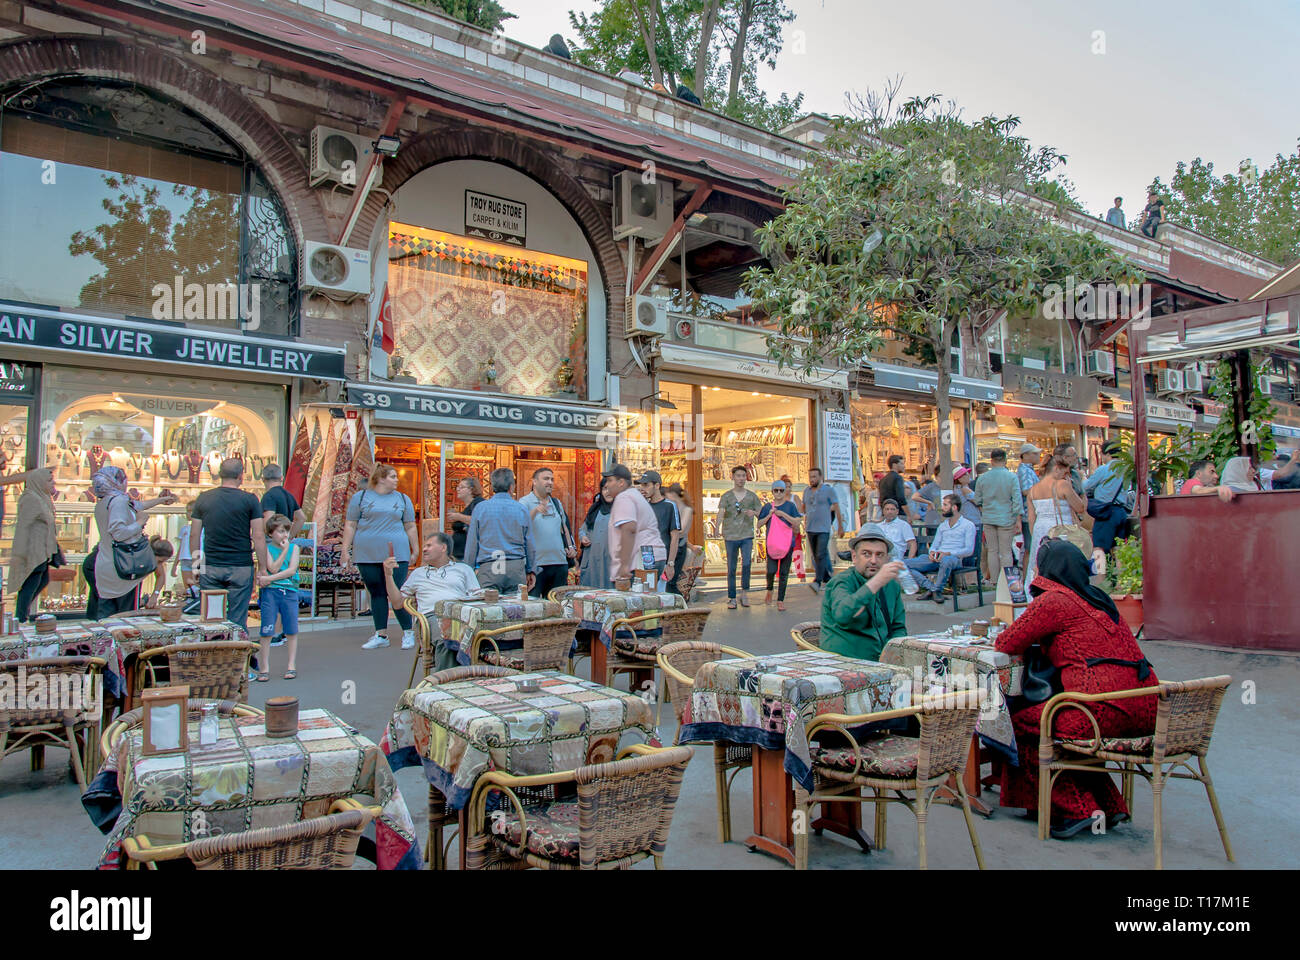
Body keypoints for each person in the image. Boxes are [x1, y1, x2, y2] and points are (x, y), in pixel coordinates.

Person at [994, 540, 1158, 838]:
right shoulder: (1099, 598)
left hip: (1101, 710)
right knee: (1062, 720)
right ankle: (1108, 805)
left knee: (1023, 724)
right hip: (1145, 708)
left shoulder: (1054, 600)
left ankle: (1076, 809)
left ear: (1046, 569)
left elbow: (1006, 642)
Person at [341, 463, 419, 651]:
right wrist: (345, 549)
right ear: (381, 478)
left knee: (396, 592)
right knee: (376, 592)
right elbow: (351, 524)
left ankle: (408, 631)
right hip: (367, 552)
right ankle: (381, 633)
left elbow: (410, 525)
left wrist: (415, 548)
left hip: (396, 551)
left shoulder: (402, 499)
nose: (396, 480)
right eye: (393, 476)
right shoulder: (360, 498)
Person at [382, 532, 479, 671]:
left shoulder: (463, 569)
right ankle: (445, 685)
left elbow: (477, 594)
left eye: (429, 545)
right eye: (424, 546)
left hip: (461, 615)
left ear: (443, 548)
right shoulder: (418, 573)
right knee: (447, 637)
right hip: (432, 616)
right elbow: (397, 603)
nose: (424, 549)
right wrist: (388, 575)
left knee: (485, 635)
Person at [190, 458, 267, 633]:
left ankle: (214, 652)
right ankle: (237, 653)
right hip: (240, 565)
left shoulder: (204, 498)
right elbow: (258, 535)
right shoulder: (250, 499)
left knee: (211, 616)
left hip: (211, 565)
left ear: (219, 475)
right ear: (241, 476)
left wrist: (196, 566)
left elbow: (195, 534)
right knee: (238, 618)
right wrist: (262, 568)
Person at [92, 467, 177, 619]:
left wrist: (161, 500)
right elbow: (118, 533)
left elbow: (137, 506)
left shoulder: (105, 502)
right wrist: (140, 522)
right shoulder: (118, 501)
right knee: (125, 619)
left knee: (105, 617)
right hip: (123, 568)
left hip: (106, 565)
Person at [820, 527, 908, 661]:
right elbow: (843, 615)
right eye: (866, 554)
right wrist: (875, 583)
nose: (873, 560)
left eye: (879, 555)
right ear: (854, 557)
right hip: (844, 662)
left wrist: (894, 652)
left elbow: (898, 627)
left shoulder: (891, 586)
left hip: (882, 661)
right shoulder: (842, 581)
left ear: (887, 559)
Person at [465, 467, 535, 595]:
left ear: (492, 486)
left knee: (489, 610)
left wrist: (469, 569)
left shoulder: (481, 508)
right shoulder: (521, 509)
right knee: (515, 610)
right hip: (515, 567)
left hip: (489, 567)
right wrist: (531, 570)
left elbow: (472, 543)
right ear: (511, 487)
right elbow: (529, 543)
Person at [8, 468, 62, 622]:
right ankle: (20, 618)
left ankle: (21, 616)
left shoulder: (42, 496)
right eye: (49, 480)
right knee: (31, 582)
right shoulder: (31, 498)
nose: (54, 483)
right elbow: (23, 527)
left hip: (42, 549)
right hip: (33, 550)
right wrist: (20, 553)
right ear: (39, 482)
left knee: (41, 580)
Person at [905, 493, 976, 604]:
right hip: (937, 557)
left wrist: (948, 553)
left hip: (954, 558)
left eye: (945, 505)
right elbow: (935, 544)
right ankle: (933, 589)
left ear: (954, 507)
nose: (942, 508)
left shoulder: (968, 525)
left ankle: (936, 590)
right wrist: (932, 552)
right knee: (904, 564)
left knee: (947, 560)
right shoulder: (943, 525)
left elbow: (969, 550)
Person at [1026, 455, 1088, 580]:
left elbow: (1031, 518)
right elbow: (1080, 508)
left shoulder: (1032, 490)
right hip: (1060, 529)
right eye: (1065, 472)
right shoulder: (1062, 485)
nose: (1066, 476)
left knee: (1040, 563)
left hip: (1040, 529)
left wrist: (1035, 534)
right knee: (1062, 563)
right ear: (1056, 469)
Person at [255, 513, 300, 681]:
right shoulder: (267, 548)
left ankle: (291, 665)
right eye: (280, 531)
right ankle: (264, 667)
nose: (284, 535)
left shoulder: (295, 548)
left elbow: (291, 570)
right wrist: (284, 551)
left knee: (291, 629)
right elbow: (273, 568)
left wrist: (268, 579)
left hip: (289, 592)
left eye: (286, 531)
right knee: (267, 630)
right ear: (271, 533)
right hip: (271, 593)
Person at [520, 466, 576, 599]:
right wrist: (535, 511)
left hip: (559, 563)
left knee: (557, 606)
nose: (550, 482)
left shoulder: (556, 503)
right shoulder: (524, 502)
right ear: (534, 481)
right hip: (536, 565)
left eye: (552, 479)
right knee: (533, 606)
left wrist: (571, 547)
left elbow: (564, 527)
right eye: (546, 478)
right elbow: (520, 526)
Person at [604, 463, 663, 588]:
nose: (607, 484)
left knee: (635, 604)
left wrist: (624, 565)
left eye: (610, 480)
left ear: (621, 482)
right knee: (648, 602)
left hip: (639, 562)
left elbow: (629, 529)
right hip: (651, 557)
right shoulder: (634, 495)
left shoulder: (624, 497)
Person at [972, 448, 1024, 576]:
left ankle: (994, 580)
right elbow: (1017, 500)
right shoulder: (1011, 477)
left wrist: (984, 510)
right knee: (1006, 551)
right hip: (1006, 517)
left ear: (991, 461)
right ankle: (1006, 581)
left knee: (992, 551)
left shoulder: (982, 478)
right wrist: (1018, 519)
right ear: (1005, 460)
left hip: (989, 517)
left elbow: (977, 499)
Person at [717, 465, 761, 609]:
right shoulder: (727, 496)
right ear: (733, 477)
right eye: (738, 476)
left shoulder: (752, 496)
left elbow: (761, 513)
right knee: (731, 567)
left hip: (746, 535)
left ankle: (744, 593)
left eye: (743, 476)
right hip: (730, 535)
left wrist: (753, 513)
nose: (741, 479)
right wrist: (717, 527)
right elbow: (721, 512)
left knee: (747, 564)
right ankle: (732, 597)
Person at [758, 480, 802, 611]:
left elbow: (797, 522)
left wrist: (782, 514)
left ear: (785, 491)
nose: (778, 493)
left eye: (781, 490)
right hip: (772, 543)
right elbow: (758, 524)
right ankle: (770, 589)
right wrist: (769, 516)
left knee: (784, 573)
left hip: (787, 543)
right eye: (775, 490)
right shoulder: (767, 507)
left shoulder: (790, 506)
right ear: (772, 491)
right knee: (771, 570)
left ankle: (780, 600)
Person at [801, 466, 843, 593]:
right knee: (817, 555)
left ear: (820, 477)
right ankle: (828, 578)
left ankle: (817, 581)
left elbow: (837, 507)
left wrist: (840, 526)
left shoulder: (828, 491)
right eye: (810, 477)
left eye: (814, 476)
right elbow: (803, 508)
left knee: (820, 553)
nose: (812, 479)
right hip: (810, 528)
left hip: (823, 528)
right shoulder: (806, 491)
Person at [1083, 439, 1130, 552]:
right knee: (1118, 547)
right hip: (1122, 512)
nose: (1102, 457)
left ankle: (1101, 570)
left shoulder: (1104, 469)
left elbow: (1085, 487)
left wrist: (1082, 477)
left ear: (1107, 454)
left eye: (1101, 454)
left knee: (1099, 548)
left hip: (1106, 513)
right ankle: (1119, 570)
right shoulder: (1127, 469)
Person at [637, 470, 679, 592]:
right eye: (641, 485)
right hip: (642, 558)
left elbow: (675, 537)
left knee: (659, 596)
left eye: (646, 485)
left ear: (657, 486)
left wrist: (670, 564)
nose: (643, 488)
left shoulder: (669, 506)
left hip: (661, 560)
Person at [578, 481, 615, 589]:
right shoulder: (595, 509)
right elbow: (583, 529)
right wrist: (583, 537)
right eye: (604, 489)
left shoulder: (622, 510)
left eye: (610, 489)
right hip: (592, 560)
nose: (608, 492)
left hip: (610, 561)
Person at [260, 463, 306, 537]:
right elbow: (302, 518)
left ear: (263, 479)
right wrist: (289, 536)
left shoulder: (268, 496)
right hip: (284, 542)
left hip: (272, 543)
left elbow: (267, 524)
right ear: (281, 478)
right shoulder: (289, 495)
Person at [446, 476, 486, 562]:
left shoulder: (479, 503)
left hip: (468, 556)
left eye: (461, 487)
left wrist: (458, 517)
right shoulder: (466, 508)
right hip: (459, 554)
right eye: (458, 487)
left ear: (471, 490)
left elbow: (479, 521)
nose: (458, 489)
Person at [664, 482, 693, 595]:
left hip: (680, 547)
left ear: (673, 494)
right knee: (667, 582)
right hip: (673, 546)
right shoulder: (673, 507)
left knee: (671, 583)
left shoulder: (686, 509)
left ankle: (682, 606)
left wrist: (669, 529)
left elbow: (681, 529)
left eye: (668, 495)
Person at [1017, 442, 1042, 555]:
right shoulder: (1025, 471)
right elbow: (1026, 490)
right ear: (1025, 455)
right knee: (1031, 547)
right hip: (1029, 514)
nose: (1038, 456)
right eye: (1035, 454)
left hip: (1030, 513)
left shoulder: (1027, 470)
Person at [171, 502, 200, 592]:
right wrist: (175, 564)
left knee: (197, 585)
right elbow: (181, 547)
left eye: (190, 511)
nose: (188, 514)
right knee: (188, 586)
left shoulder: (203, 529)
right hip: (184, 558)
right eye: (187, 511)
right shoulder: (184, 528)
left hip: (197, 557)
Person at [877, 455, 914, 524]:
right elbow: (901, 498)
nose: (904, 466)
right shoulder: (898, 478)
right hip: (898, 514)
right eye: (901, 463)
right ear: (894, 465)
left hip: (885, 514)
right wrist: (908, 515)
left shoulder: (883, 480)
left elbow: (881, 499)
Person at [911, 466, 942, 535]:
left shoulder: (950, 487)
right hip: (933, 521)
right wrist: (929, 502)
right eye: (940, 476)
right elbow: (914, 497)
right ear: (936, 477)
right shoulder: (931, 487)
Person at [144, 536, 173, 609]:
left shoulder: (156, 562)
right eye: (160, 561)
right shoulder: (142, 558)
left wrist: (155, 595)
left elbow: (161, 576)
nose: (159, 565)